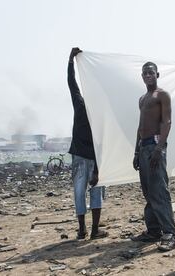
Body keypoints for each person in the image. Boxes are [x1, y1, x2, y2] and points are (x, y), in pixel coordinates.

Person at [132, 62, 175, 251]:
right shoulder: (142, 99)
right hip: (144, 147)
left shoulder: (162, 95)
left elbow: (167, 121)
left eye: (151, 72)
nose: (148, 75)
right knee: (148, 191)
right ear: (142, 76)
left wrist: (159, 148)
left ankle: (170, 234)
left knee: (159, 189)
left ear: (157, 74)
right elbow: (140, 126)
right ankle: (153, 231)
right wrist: (136, 151)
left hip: (155, 146)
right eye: (145, 73)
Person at [68, 47, 107, 240]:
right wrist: (99, 169)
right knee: (96, 192)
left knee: (79, 193)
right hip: (93, 159)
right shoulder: (99, 112)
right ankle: (93, 230)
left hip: (79, 156)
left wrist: (70, 61)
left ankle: (83, 229)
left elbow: (71, 83)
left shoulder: (80, 104)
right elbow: (103, 141)